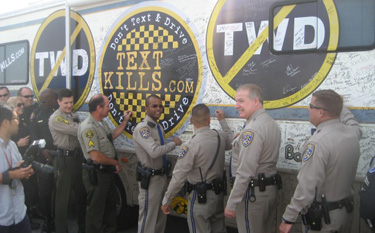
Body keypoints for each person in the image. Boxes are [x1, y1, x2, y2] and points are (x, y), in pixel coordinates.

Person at [279, 90, 362, 233]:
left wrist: (288, 218)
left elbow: (306, 186)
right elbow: (354, 124)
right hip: (346, 212)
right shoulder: (352, 133)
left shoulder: (318, 143)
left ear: (321, 112)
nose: (308, 109)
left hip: (325, 218)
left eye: (311, 106)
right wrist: (339, 105)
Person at [161, 104, 233, 233]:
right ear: (209, 120)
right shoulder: (219, 136)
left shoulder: (190, 145)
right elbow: (231, 141)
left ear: (191, 121)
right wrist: (222, 121)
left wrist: (167, 200)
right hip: (218, 195)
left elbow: (178, 177)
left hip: (201, 198)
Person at [224, 84, 282, 233]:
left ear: (256, 101)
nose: (236, 106)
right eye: (236, 101)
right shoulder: (269, 122)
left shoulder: (253, 129)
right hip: (266, 191)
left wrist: (232, 203)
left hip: (253, 195)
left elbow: (245, 171)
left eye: (241, 101)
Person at [77, 94, 132, 232]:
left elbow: (111, 136)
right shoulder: (88, 128)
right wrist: (115, 162)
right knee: (96, 211)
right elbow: (95, 156)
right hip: (97, 174)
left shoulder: (102, 123)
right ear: (98, 107)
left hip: (106, 173)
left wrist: (124, 122)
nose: (110, 109)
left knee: (109, 208)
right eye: (107, 106)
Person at [133, 94, 182, 233]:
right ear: (146, 108)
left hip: (160, 176)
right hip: (150, 179)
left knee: (160, 218)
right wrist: (174, 144)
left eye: (160, 106)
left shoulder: (158, 127)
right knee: (148, 218)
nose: (159, 109)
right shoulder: (143, 129)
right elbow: (154, 152)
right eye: (154, 106)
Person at [49, 88, 86, 233]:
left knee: (82, 195)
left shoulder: (73, 115)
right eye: (66, 103)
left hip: (77, 158)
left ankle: (82, 228)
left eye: (71, 102)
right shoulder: (56, 118)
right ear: (58, 102)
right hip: (64, 160)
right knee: (62, 201)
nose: (69, 105)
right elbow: (78, 130)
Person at [8, 96, 41, 230]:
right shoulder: (9, 129)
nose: (22, 107)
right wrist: (18, 143)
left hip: (23, 159)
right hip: (12, 166)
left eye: (22, 105)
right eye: (18, 105)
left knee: (28, 190)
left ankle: (28, 215)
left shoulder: (23, 122)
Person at [0, 104, 34, 233]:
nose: (18, 122)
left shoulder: (13, 145)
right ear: (5, 123)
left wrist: (25, 172)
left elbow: (16, 168)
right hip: (2, 219)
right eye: (15, 119)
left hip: (19, 214)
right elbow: (12, 173)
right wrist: (13, 175)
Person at [30, 89, 58, 233]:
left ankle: (59, 221)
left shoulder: (60, 112)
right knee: (45, 192)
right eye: (40, 100)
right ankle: (48, 221)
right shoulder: (38, 113)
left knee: (60, 191)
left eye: (44, 101)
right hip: (44, 157)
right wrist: (41, 150)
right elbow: (33, 133)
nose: (41, 103)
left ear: (53, 99)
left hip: (59, 155)